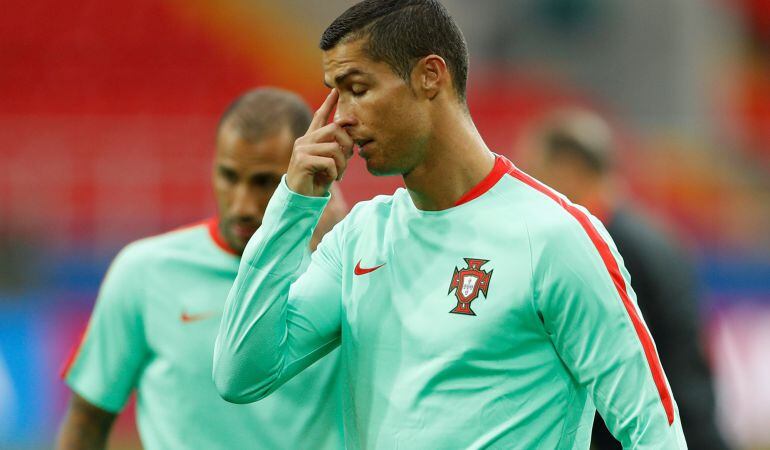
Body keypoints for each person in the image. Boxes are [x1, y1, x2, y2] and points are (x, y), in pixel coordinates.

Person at [213, 1, 687, 448]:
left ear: (429, 76)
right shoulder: (360, 237)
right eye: (334, 96)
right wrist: (292, 206)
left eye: (357, 89)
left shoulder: (552, 236)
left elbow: (650, 426)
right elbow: (241, 374)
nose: (342, 120)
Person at [56, 88, 346, 450]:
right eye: (229, 176)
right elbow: (86, 423)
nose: (242, 204)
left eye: (264, 182)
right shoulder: (144, 271)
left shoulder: (334, 271)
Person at [519, 109, 727, 450]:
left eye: (537, 172)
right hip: (691, 423)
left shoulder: (602, 247)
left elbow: (614, 367)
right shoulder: (656, 235)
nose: (530, 187)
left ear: (568, 170)